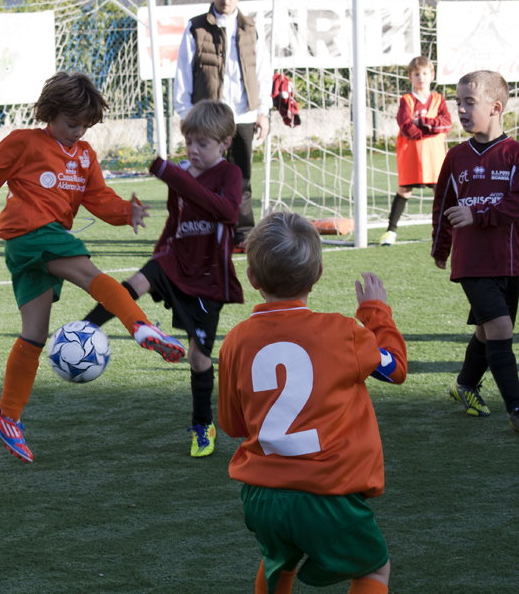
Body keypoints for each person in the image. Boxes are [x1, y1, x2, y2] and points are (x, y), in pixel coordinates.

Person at [0, 72, 187, 463]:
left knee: (34, 335)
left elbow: (98, 198)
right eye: (71, 123)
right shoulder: (24, 142)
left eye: (85, 126)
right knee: (92, 276)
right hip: (32, 234)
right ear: (50, 113)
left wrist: (125, 211)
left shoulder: (85, 156)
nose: (77, 132)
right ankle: (141, 326)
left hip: (36, 246)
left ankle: (6, 416)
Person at [216, 212, 407, 594]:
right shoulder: (343, 332)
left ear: (252, 278)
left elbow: (234, 426)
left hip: (262, 496)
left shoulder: (235, 340)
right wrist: (375, 312)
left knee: (278, 563)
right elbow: (395, 369)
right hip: (326, 492)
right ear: (318, 273)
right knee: (373, 569)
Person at [82, 100, 243, 457]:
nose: (193, 150)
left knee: (198, 357)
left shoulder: (228, 174)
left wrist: (176, 176)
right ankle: (85, 329)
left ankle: (203, 425)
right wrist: (160, 252)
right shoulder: (182, 173)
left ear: (225, 144)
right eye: (189, 142)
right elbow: (175, 218)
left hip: (208, 275)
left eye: (203, 144)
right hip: (175, 259)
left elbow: (228, 212)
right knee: (137, 282)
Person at [431, 70, 519, 432]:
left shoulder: (514, 154)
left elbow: (516, 203)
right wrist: (441, 245)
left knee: (487, 331)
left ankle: (465, 383)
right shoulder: (456, 157)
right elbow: (443, 205)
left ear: (496, 107)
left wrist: (478, 213)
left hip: (510, 261)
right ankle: (516, 409)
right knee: (500, 327)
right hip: (472, 261)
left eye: (470, 102)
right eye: (458, 103)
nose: (462, 110)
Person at [173, 0, 272, 253]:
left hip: (244, 115)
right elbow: (183, 71)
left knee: (241, 178)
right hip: (208, 116)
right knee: (204, 178)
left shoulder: (251, 27)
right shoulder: (195, 27)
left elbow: (262, 70)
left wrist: (263, 111)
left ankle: (242, 234)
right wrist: (185, 113)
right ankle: (200, 232)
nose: (225, 0)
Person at [379, 56, 452, 247]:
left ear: (432, 75)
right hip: (411, 154)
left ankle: (445, 230)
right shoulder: (406, 100)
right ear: (410, 77)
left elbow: (446, 124)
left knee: (441, 192)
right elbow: (405, 126)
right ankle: (390, 231)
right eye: (417, 74)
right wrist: (429, 130)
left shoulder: (438, 99)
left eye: (425, 73)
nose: (421, 77)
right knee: (404, 191)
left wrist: (422, 121)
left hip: (434, 156)